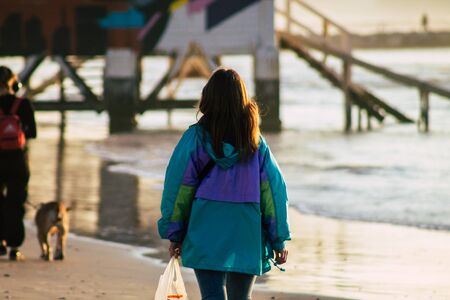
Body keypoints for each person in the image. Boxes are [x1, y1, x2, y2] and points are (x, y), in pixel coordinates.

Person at [158, 68, 290, 299]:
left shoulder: (195, 138)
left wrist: (175, 232)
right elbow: (273, 192)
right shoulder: (255, 143)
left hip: (206, 225)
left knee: (212, 296)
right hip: (245, 228)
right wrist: (278, 238)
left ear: (208, 97)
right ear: (243, 99)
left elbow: (178, 188)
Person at [0, 66, 37, 261]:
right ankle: (14, 247)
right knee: (15, 203)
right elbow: (32, 133)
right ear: (14, 83)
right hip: (17, 160)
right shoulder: (22, 105)